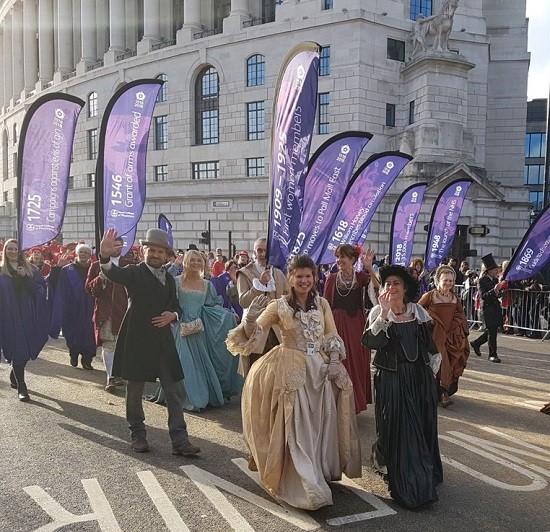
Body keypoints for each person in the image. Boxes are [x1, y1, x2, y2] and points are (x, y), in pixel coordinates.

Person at [226, 254, 361, 510]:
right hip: (291, 368)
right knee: (297, 424)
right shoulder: (278, 306)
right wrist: (250, 319)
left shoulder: (322, 304)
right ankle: (303, 478)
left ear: (314, 278)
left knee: (320, 423)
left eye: (308, 276)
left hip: (319, 370)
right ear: (290, 278)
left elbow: (331, 334)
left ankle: (318, 469)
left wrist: (334, 359)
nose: (304, 281)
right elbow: (257, 334)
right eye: (299, 276)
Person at [98, 227, 200, 455]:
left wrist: (172, 315)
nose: (155, 254)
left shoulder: (171, 281)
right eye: (151, 250)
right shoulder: (134, 272)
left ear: (167, 255)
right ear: (144, 251)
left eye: (160, 251)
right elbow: (112, 273)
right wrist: (104, 256)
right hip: (137, 339)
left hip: (163, 341)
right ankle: (138, 435)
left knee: (174, 390)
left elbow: (176, 306)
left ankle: (180, 441)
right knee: (134, 391)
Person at [362, 265, 442, 509]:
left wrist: (432, 377)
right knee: (402, 430)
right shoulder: (378, 311)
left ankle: (424, 474)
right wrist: (384, 314)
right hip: (392, 379)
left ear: (406, 288)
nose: (391, 287)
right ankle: (412, 487)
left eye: (396, 283)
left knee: (421, 426)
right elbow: (371, 342)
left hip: (418, 378)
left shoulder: (417, 312)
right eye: (387, 284)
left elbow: (429, 347)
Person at [169, 250, 243, 411]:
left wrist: (228, 315)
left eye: (199, 260)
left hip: (199, 328)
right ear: (186, 261)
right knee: (184, 361)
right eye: (192, 260)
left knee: (200, 364)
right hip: (180, 327)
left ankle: (202, 395)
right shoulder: (176, 282)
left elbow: (211, 305)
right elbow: (170, 302)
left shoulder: (207, 284)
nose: (196, 263)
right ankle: (189, 398)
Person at [323, 244, 379, 414]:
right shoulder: (331, 279)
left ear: (353, 260)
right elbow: (325, 305)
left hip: (356, 326)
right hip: (337, 325)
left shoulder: (361, 277)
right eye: (338, 257)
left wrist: (369, 267)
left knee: (356, 362)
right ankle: (338, 403)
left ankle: (354, 402)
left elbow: (377, 289)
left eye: (343, 257)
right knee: (340, 361)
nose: (339, 260)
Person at [0, 239, 51, 401]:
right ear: (5, 251)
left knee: (25, 349)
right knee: (16, 348)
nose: (13, 252)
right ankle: (22, 385)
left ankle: (15, 370)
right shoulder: (1, 271)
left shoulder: (32, 269)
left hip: (27, 315)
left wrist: (25, 278)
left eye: (16, 249)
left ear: (22, 252)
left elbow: (40, 291)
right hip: (7, 316)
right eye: (10, 249)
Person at [418, 264, 470, 407]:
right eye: (445, 280)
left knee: (451, 361)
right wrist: (430, 318)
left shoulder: (455, 298)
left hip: (451, 336)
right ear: (438, 281)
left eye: (451, 280)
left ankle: (444, 391)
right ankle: (443, 393)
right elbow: (418, 310)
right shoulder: (430, 295)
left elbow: (460, 314)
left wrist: (457, 324)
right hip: (435, 336)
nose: (448, 283)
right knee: (441, 362)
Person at [85, 235, 132, 391]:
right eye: (113, 245)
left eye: (119, 245)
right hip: (106, 312)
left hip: (126, 312)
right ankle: (110, 377)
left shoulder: (129, 265)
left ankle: (118, 373)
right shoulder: (96, 266)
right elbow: (89, 289)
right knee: (109, 345)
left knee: (123, 346)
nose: (116, 248)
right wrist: (100, 279)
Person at [236, 237, 289, 375]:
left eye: (266, 251)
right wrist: (259, 285)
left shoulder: (278, 273)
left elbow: (288, 296)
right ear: (254, 252)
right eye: (259, 250)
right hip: (255, 330)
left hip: (277, 331)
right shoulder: (245, 272)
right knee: (257, 373)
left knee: (277, 374)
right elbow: (243, 301)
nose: (262, 254)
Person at [50, 243, 96, 369]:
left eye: (86, 252)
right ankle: (74, 353)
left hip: (89, 307)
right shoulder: (67, 269)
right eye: (81, 252)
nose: (83, 254)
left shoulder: (94, 269)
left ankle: (87, 360)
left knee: (89, 334)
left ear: (90, 255)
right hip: (72, 307)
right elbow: (59, 287)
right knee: (72, 333)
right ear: (77, 253)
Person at [470, 254, 504, 363]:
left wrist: (500, 292)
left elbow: (496, 295)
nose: (496, 271)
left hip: (495, 308)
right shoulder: (482, 280)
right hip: (487, 308)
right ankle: (492, 354)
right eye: (495, 269)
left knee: (492, 331)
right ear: (489, 270)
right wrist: (494, 291)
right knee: (492, 331)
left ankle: (476, 343)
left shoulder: (494, 280)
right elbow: (483, 296)